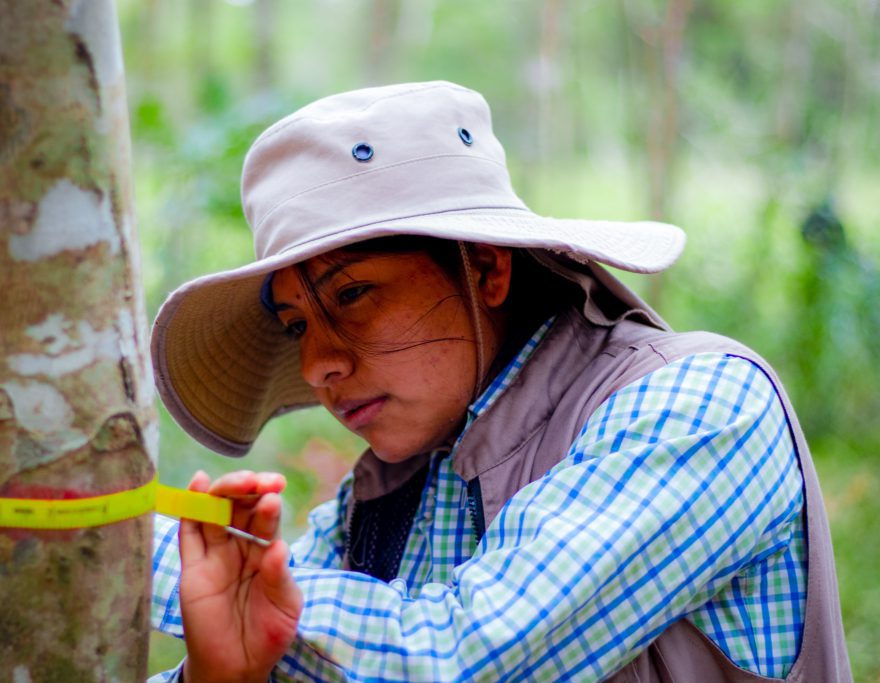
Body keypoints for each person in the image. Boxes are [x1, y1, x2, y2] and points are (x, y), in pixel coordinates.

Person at [146, 82, 851, 682]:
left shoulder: (699, 407)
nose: (316, 364)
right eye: (298, 324)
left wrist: (131, 549)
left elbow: (467, 655)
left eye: (354, 292)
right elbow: (278, 633)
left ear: (485, 268)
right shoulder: (389, 493)